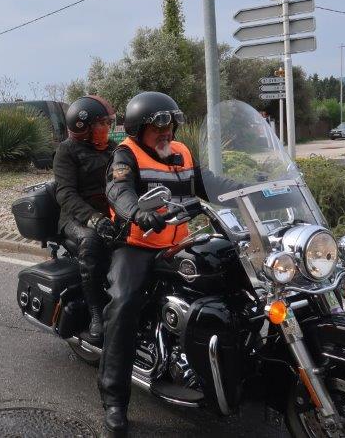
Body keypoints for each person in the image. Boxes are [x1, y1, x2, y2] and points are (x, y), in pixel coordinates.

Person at [100, 91, 239, 433]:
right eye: (157, 127)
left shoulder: (181, 152)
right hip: (138, 245)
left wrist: (251, 190)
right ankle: (114, 399)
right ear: (138, 130)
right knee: (124, 304)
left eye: (170, 126)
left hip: (179, 245)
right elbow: (119, 191)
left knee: (236, 279)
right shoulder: (125, 155)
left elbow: (210, 184)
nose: (166, 132)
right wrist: (137, 212)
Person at [53, 95, 117, 345]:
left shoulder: (114, 149)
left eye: (108, 123)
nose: (107, 128)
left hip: (111, 215)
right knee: (92, 242)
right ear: (84, 127)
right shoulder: (67, 151)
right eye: (102, 123)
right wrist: (93, 218)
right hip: (76, 218)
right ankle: (96, 313)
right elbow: (65, 193)